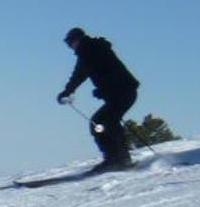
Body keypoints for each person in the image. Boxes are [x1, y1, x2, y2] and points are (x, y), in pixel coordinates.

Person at [58, 27, 140, 172]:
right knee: (106, 122)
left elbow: (82, 73)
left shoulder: (89, 50)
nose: (70, 47)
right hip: (123, 92)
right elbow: (101, 72)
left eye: (69, 43)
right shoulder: (92, 49)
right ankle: (119, 158)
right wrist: (102, 90)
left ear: (76, 40)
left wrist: (68, 91)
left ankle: (116, 159)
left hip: (123, 92)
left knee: (101, 123)